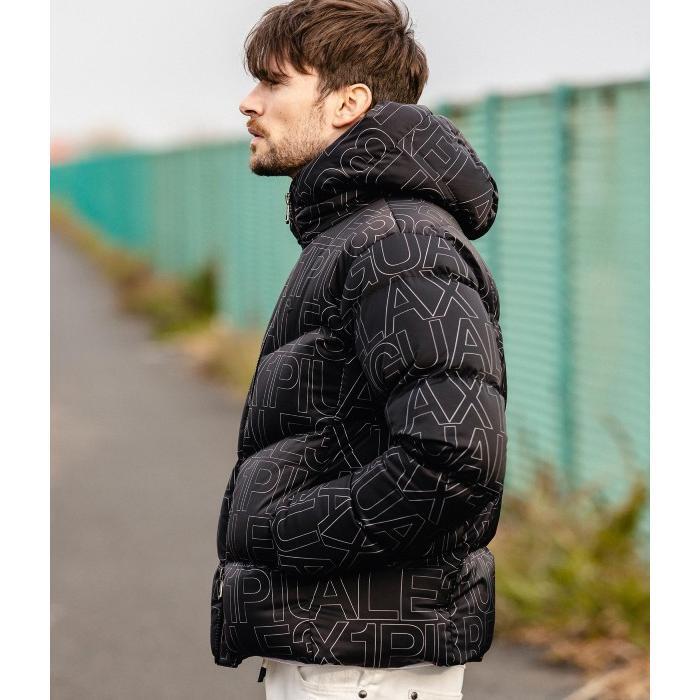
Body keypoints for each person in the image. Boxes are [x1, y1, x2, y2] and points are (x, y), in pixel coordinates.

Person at [210, 1, 508, 698]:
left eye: (273, 82)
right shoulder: (359, 234)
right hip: (342, 647)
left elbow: (455, 457)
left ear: (349, 102)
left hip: (361, 662)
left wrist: (284, 532)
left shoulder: (399, 244)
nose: (249, 102)